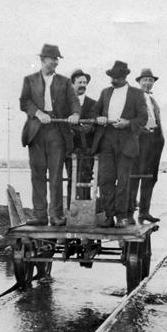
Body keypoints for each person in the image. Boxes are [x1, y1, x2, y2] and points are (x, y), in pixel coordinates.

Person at [19, 44, 80, 226]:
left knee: (55, 174)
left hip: (57, 131)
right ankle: (39, 215)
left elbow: (74, 101)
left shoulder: (64, 81)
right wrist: (38, 113)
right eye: (53, 59)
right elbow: (24, 102)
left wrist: (76, 114)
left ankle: (56, 215)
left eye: (57, 59)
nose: (55, 62)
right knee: (37, 174)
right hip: (35, 133)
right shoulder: (29, 80)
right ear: (43, 59)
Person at [91, 60, 148, 228]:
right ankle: (109, 216)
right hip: (106, 141)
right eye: (111, 77)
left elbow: (143, 118)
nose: (113, 80)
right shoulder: (105, 93)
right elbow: (95, 112)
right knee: (105, 180)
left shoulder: (136, 94)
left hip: (126, 143)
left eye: (116, 77)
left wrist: (128, 123)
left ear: (124, 77)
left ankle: (122, 216)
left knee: (123, 181)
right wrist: (99, 118)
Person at [128, 67, 165, 223]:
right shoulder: (133, 97)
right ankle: (129, 214)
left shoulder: (152, 100)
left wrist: (160, 137)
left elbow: (156, 120)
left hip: (154, 140)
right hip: (140, 140)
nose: (148, 83)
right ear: (139, 82)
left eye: (150, 80)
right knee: (135, 176)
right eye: (145, 80)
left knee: (150, 177)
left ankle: (144, 212)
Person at [65, 69, 96, 205]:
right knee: (72, 177)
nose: (83, 85)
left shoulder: (93, 103)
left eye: (85, 82)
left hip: (87, 148)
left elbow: (93, 124)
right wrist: (78, 127)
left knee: (86, 177)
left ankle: (86, 207)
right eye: (80, 82)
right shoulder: (65, 103)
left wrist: (85, 126)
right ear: (72, 84)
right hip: (70, 147)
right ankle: (71, 210)